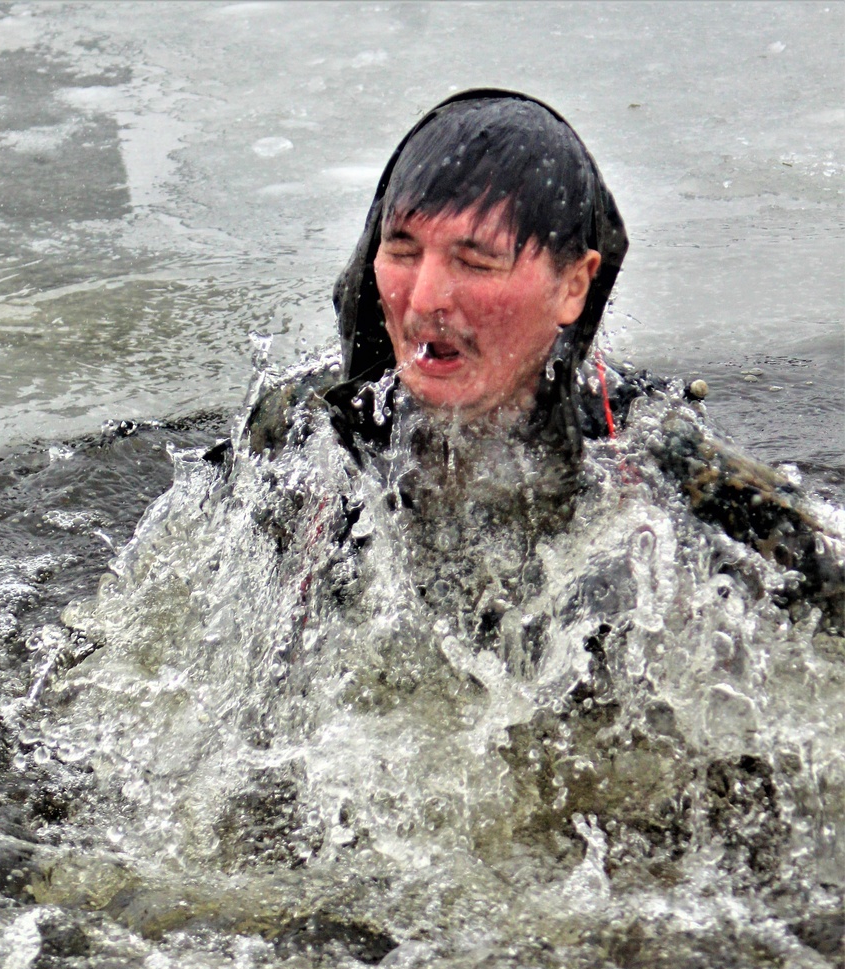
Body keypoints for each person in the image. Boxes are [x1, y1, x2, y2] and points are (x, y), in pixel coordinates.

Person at [210, 90, 841, 630]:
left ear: (574, 285)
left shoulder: (645, 458)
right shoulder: (301, 432)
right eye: (402, 251)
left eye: (475, 261)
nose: (424, 299)